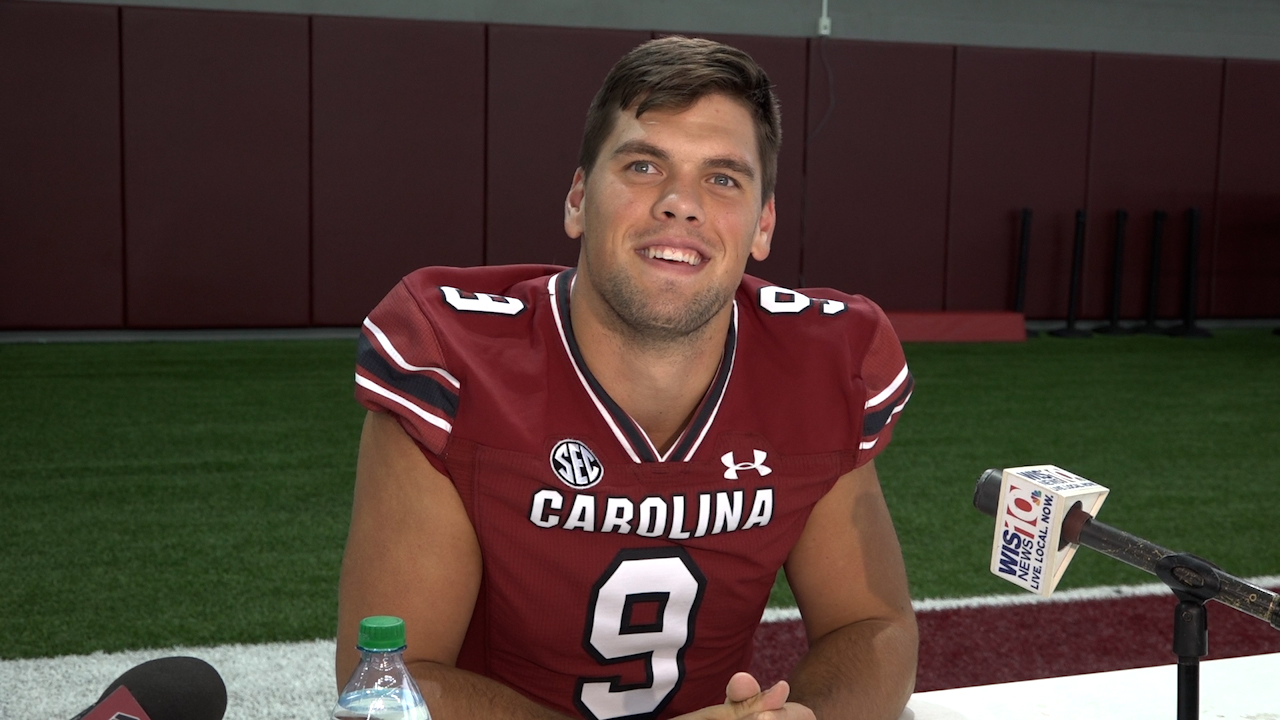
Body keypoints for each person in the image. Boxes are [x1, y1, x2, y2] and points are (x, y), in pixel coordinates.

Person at [337, 36, 917, 720]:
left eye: (723, 178)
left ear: (763, 225)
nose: (681, 203)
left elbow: (873, 629)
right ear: (579, 199)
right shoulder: (454, 357)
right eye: (644, 165)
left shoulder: (821, 361)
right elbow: (389, 681)